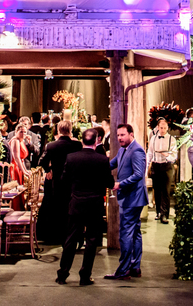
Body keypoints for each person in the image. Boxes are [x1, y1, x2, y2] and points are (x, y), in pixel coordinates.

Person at [56, 127, 113, 285]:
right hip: (94, 204)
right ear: (96, 141)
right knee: (92, 240)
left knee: (71, 239)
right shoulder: (102, 160)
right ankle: (85, 276)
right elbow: (109, 182)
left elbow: (64, 180)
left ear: (82, 141)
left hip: (77, 202)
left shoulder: (72, 157)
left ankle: (63, 274)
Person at [106, 123, 147, 280]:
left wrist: (119, 184)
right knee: (135, 232)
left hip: (133, 198)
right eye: (118, 135)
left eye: (122, 135)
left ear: (131, 134)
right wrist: (97, 165)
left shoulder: (137, 150)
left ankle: (123, 270)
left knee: (125, 233)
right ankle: (135, 267)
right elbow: (112, 164)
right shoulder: (123, 149)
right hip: (130, 198)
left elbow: (138, 174)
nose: (119, 138)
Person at [39, 120, 82, 244]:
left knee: (58, 208)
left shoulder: (51, 146)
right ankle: (72, 235)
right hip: (73, 181)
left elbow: (41, 161)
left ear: (58, 131)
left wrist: (48, 170)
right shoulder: (77, 145)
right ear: (70, 131)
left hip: (57, 181)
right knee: (71, 208)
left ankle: (57, 235)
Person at [146, 118, 177, 224]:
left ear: (167, 128)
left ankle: (165, 214)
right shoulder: (153, 138)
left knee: (166, 191)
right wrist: (146, 168)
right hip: (156, 165)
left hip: (166, 165)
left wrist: (167, 155)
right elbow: (150, 153)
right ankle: (158, 212)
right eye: (161, 128)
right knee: (157, 190)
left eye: (165, 128)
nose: (163, 130)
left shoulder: (172, 139)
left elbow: (174, 155)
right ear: (158, 128)